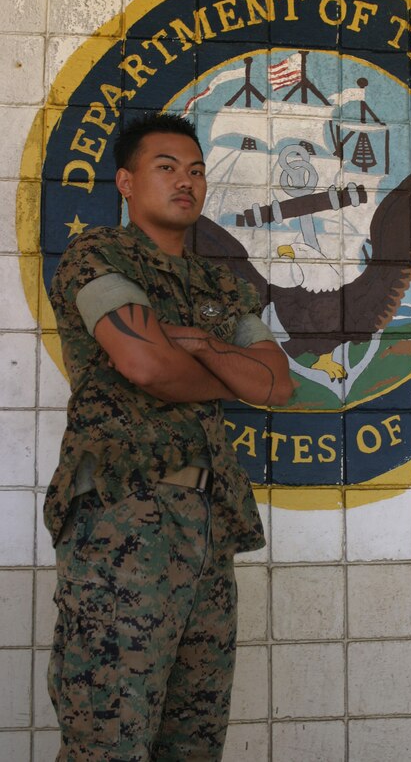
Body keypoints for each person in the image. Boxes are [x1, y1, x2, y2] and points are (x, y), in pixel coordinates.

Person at [45, 112, 294, 761]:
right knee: (110, 740)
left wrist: (202, 343)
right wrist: (228, 373)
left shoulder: (218, 286)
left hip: (209, 527)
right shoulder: (98, 255)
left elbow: (277, 387)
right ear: (126, 182)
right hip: (123, 520)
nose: (185, 181)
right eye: (166, 167)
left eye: (195, 170)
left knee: (192, 741)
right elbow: (144, 364)